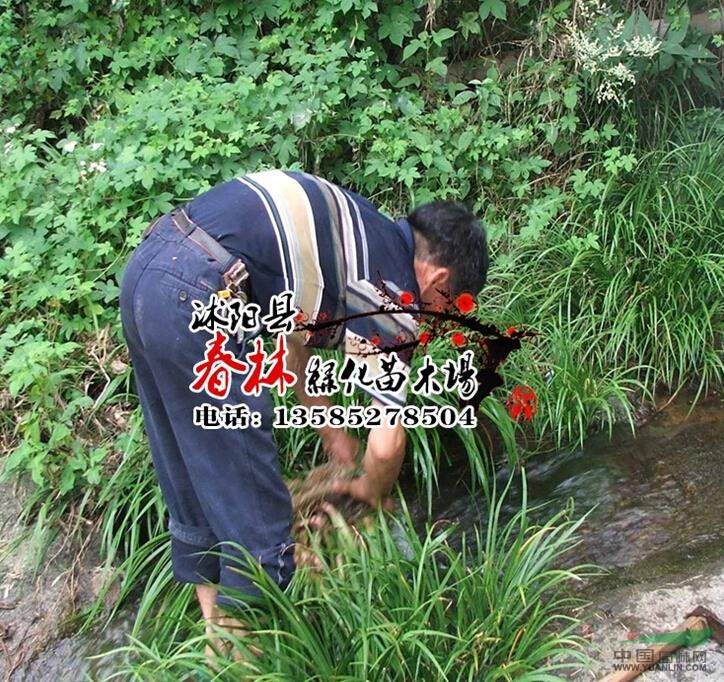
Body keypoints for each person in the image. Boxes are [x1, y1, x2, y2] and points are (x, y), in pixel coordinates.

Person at [118, 169, 488, 649]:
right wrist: (372, 492)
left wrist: (334, 436)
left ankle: (215, 643)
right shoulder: (393, 289)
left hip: (148, 272)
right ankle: (250, 661)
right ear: (438, 278)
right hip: (200, 291)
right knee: (261, 529)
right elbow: (389, 438)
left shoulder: (358, 236)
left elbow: (294, 352)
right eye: (450, 303)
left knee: (193, 483)